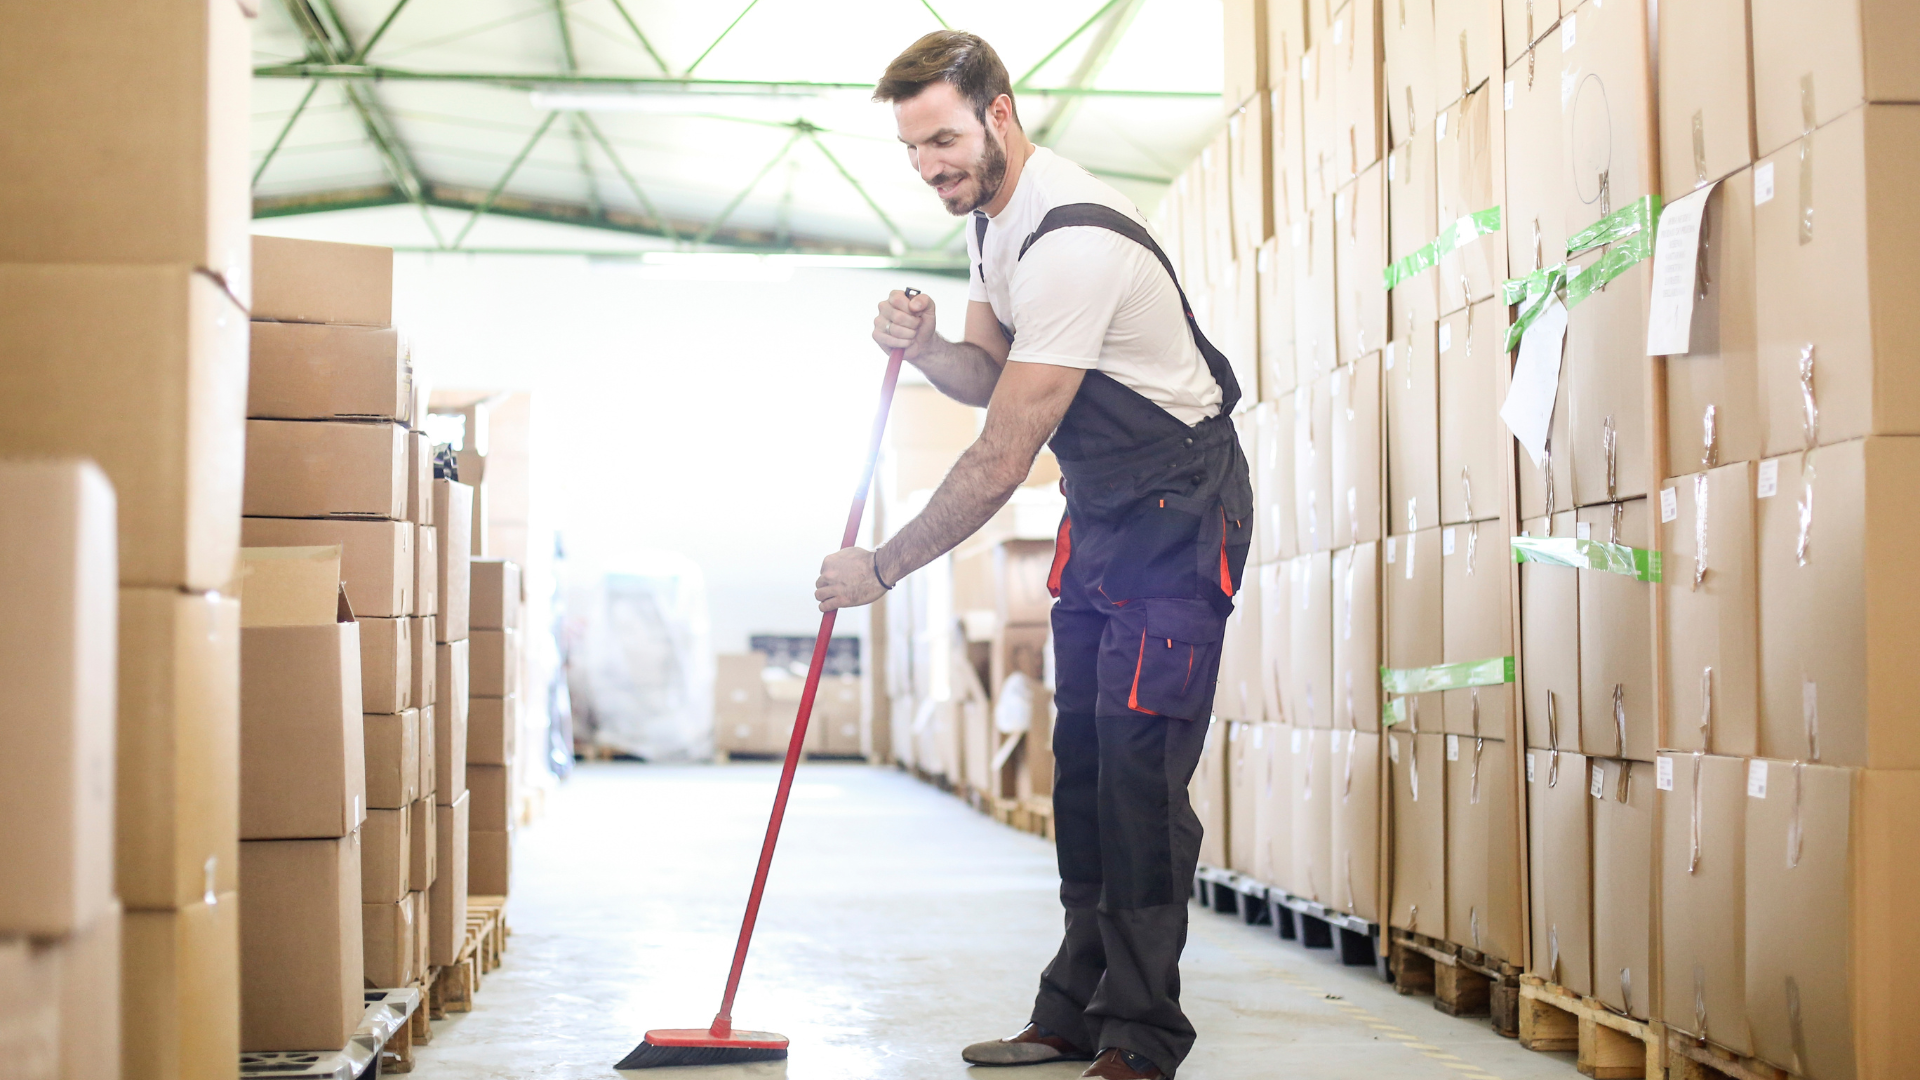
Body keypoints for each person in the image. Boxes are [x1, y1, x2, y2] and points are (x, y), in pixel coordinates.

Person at [812, 30, 1252, 1080]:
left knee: (1142, 780)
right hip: (1102, 510)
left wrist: (882, 566)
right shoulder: (989, 222)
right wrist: (924, 350)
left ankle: (1142, 1037)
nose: (930, 168)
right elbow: (984, 374)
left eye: (946, 141)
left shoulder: (1073, 239)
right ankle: (1071, 1009)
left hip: (1179, 511)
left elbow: (1005, 452)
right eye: (914, 150)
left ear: (1001, 113)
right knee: (1088, 770)